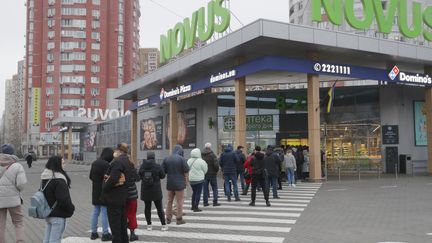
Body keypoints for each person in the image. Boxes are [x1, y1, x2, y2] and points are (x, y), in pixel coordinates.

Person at [41, 156, 75, 243]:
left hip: (48, 213)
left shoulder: (45, 178)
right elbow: (63, 200)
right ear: (57, 165)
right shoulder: (59, 180)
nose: (65, 165)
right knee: (55, 240)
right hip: (58, 215)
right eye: (63, 163)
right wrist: (71, 208)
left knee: (47, 240)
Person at [102, 144, 129, 243]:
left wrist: (104, 187)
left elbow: (112, 179)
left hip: (114, 198)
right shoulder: (128, 161)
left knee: (115, 227)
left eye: (116, 150)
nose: (115, 152)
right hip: (123, 197)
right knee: (122, 226)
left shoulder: (117, 162)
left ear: (119, 151)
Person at [0, 144, 27, 243]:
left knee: (0, 225)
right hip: (14, 201)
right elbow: (21, 184)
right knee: (18, 222)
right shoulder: (17, 166)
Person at [89, 147, 113, 241]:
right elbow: (109, 178)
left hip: (95, 191)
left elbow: (91, 176)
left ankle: (93, 233)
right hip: (104, 191)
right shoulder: (106, 164)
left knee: (95, 212)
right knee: (104, 212)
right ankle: (105, 233)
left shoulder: (95, 163)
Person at [139, 152, 168, 231]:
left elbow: (139, 175)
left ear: (147, 157)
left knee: (147, 208)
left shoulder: (142, 166)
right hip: (156, 191)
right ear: (154, 157)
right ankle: (163, 225)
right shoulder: (157, 166)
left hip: (145, 190)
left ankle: (149, 225)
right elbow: (162, 176)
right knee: (159, 208)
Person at [162, 144, 189, 225]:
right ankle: (179, 219)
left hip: (170, 183)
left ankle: (168, 218)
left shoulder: (166, 158)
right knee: (179, 202)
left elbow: (163, 171)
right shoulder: (181, 159)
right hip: (179, 184)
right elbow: (186, 170)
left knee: (169, 201)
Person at [123, 147, 140, 242]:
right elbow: (138, 179)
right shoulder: (133, 168)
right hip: (133, 195)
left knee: (124, 214)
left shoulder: (120, 167)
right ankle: (132, 234)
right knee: (132, 214)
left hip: (123, 195)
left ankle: (123, 233)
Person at [187, 148, 208, 212]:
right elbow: (205, 170)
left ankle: (192, 205)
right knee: (198, 193)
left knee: (194, 192)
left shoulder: (189, 161)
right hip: (199, 179)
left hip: (191, 179)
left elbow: (187, 169)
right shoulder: (201, 161)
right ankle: (196, 207)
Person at [201, 143, 221, 207]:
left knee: (205, 189)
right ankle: (215, 202)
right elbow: (216, 165)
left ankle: (205, 202)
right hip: (212, 174)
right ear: (210, 147)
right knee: (214, 188)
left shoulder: (202, 155)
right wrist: (216, 171)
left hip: (204, 174)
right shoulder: (213, 155)